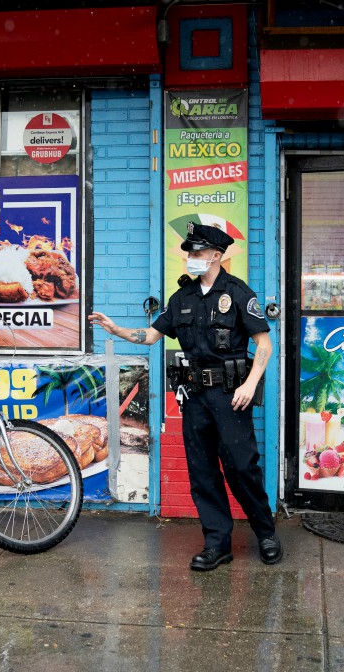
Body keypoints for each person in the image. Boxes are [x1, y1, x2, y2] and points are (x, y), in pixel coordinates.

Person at [89, 222, 282, 571]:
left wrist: (251, 384)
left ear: (217, 255)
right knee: (203, 472)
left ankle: (265, 532)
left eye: (197, 252)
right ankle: (217, 543)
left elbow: (264, 345)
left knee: (242, 468)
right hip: (195, 396)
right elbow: (150, 337)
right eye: (189, 253)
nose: (191, 258)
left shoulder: (239, 293)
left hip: (231, 395)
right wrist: (115, 328)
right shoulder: (182, 299)